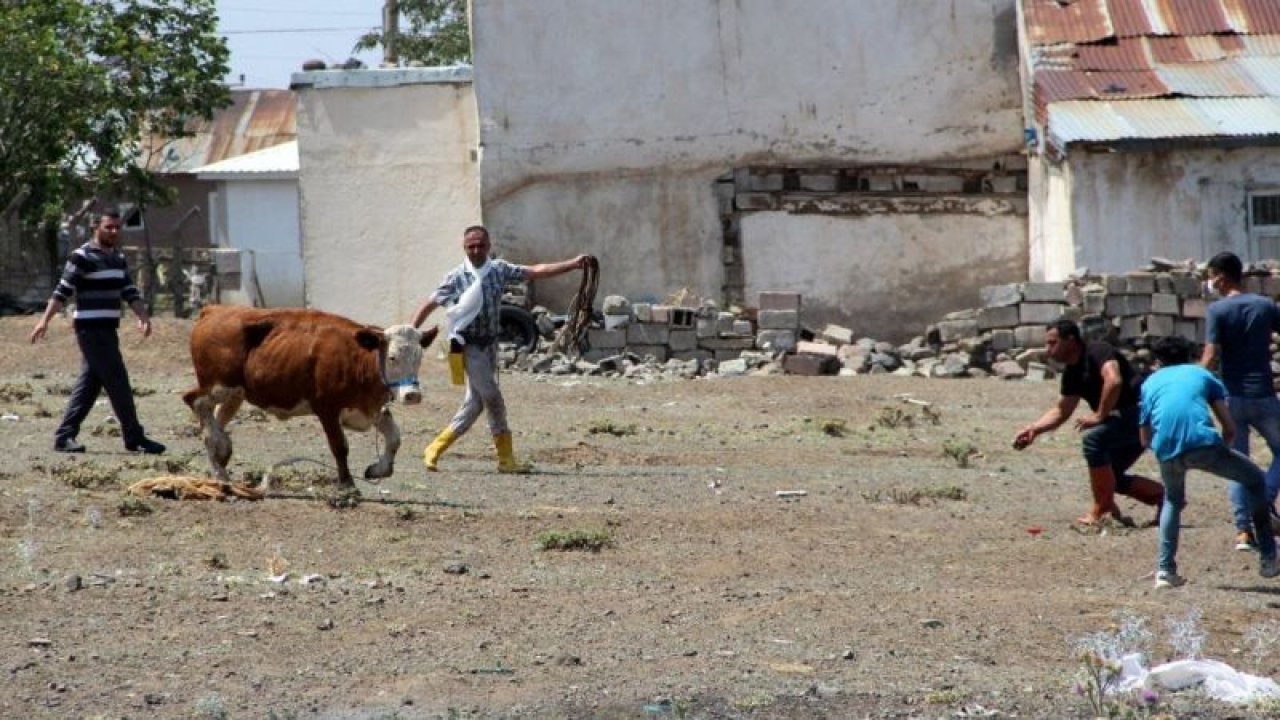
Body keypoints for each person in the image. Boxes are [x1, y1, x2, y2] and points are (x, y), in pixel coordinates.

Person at [411, 225, 587, 473]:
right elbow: (430, 303)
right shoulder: (456, 277)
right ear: (464, 248)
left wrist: (572, 264)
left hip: (490, 346)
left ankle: (435, 448)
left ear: (488, 246)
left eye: (480, 245)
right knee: (492, 398)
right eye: (471, 246)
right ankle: (506, 460)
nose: (475, 250)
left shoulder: (499, 271)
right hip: (467, 346)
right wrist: (410, 330)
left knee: (475, 404)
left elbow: (536, 271)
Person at [1139, 336, 1280, 588]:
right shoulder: (1201, 375)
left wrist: (1162, 451)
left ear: (1158, 361)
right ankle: (1268, 555)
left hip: (1167, 450)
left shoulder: (1150, 383)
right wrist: (1224, 447)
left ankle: (1165, 570)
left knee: (1173, 500)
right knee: (1255, 479)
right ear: (1190, 355)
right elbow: (1227, 423)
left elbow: (1144, 436)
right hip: (1202, 443)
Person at [29, 209, 166, 455]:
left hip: (108, 328)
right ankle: (134, 437)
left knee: (90, 384)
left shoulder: (118, 258)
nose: (114, 231)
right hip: (90, 330)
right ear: (96, 227)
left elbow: (129, 291)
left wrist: (143, 316)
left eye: (117, 227)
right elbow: (63, 290)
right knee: (117, 380)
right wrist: (44, 321)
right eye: (108, 227)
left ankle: (64, 436)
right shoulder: (81, 256)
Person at [1013, 319, 1164, 525]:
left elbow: (1114, 380)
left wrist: (1100, 415)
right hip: (1124, 420)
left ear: (1070, 339)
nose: (1048, 349)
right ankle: (1165, 499)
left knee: (1093, 440)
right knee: (1111, 476)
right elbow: (1061, 410)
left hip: (1142, 414)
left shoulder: (1098, 350)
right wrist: (1034, 429)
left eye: (1052, 343)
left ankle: (1101, 509)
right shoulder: (1072, 373)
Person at [1199, 251, 1280, 552]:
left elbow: (1210, 355)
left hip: (1231, 397)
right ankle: (1267, 500)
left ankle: (1243, 530)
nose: (1210, 283)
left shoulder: (1218, 311)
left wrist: (1194, 386)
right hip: (1263, 394)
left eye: (1211, 276)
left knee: (1237, 462)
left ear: (1221, 276)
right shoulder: (1265, 305)